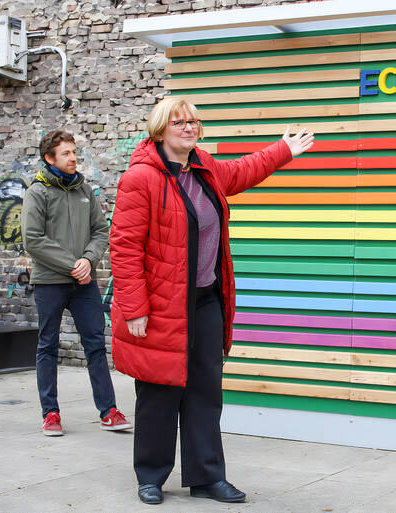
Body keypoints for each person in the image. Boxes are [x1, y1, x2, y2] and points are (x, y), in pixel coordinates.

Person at [109, 97, 314, 505]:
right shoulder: (141, 178)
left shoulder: (203, 168)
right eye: (179, 122)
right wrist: (134, 309)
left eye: (194, 122)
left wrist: (282, 150)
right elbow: (125, 247)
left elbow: (240, 172)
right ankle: (150, 475)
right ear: (161, 129)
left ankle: (206, 476)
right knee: (159, 392)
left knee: (205, 390)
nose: (189, 128)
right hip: (160, 306)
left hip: (205, 301)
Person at [21, 130, 132, 436]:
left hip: (84, 283)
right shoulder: (38, 191)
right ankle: (51, 413)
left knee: (95, 345)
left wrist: (88, 260)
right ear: (50, 158)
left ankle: (108, 410)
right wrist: (73, 265)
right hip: (49, 282)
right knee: (47, 346)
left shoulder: (84, 189)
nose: (73, 158)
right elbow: (33, 239)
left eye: (74, 152)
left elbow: (100, 230)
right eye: (67, 153)